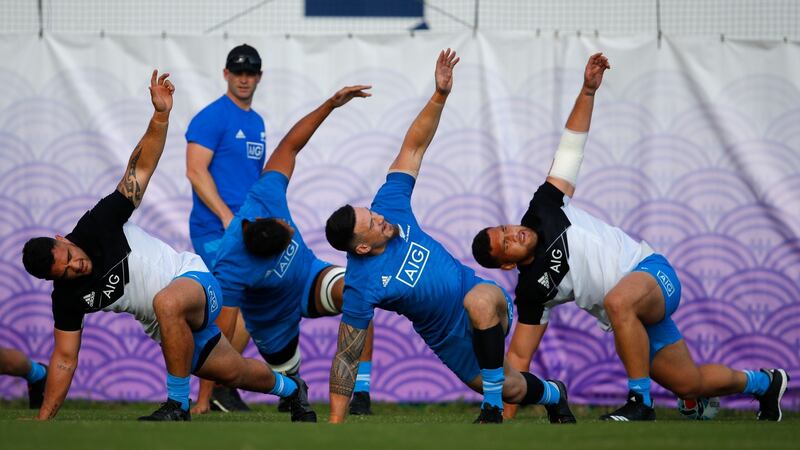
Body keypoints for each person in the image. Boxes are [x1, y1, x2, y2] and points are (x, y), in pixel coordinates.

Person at [470, 53, 790, 422]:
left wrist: (588, 91)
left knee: (617, 301)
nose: (514, 233)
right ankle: (766, 384)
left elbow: (571, 148)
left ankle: (641, 403)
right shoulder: (531, 292)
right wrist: (504, 420)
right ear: (506, 264)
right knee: (690, 383)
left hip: (652, 274)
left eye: (506, 229)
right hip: (630, 318)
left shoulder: (544, 208)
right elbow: (518, 358)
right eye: (506, 243)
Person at [21, 71, 316, 422]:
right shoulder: (66, 298)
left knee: (166, 301)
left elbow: (140, 169)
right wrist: (43, 421)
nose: (76, 266)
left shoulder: (97, 225)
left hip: (191, 280)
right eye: (66, 272)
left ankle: (177, 405)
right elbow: (65, 358)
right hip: (164, 325)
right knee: (234, 372)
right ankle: (293, 390)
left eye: (70, 257)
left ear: (62, 240)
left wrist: (160, 116)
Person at [324, 49, 576, 425]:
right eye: (372, 224)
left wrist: (439, 95)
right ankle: (555, 395)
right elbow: (347, 355)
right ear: (361, 247)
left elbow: (413, 147)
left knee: (479, 304)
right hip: (445, 338)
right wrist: (334, 426)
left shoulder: (390, 206)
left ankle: (491, 410)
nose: (380, 219)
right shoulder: (360, 286)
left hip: (480, 295)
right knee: (512, 387)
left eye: (372, 213)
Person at [196, 84, 377, 418]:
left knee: (358, 290)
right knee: (291, 389)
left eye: (287, 228)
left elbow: (291, 145)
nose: (292, 229)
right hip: (272, 322)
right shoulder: (230, 266)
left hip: (308, 278)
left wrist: (331, 104)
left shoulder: (266, 196)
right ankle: (290, 389)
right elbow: (219, 337)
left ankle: (361, 393)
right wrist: (203, 398)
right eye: (287, 235)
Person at [185, 43, 267, 412]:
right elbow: (195, 170)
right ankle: (204, 399)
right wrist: (224, 216)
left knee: (252, 311)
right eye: (238, 72)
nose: (244, 79)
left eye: (250, 73)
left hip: (245, 230)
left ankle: (221, 384)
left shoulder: (257, 122)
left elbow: (251, 180)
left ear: (259, 77)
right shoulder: (211, 117)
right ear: (225, 74)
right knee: (225, 309)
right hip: (215, 230)